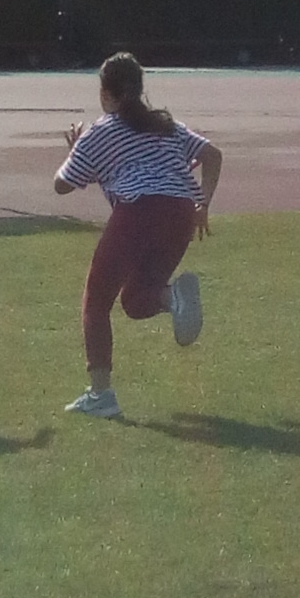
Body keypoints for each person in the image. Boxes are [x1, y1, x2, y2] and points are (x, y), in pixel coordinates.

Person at [53, 51, 222, 419]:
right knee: (135, 300)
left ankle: (101, 395)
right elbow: (213, 155)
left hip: (139, 210)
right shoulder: (167, 126)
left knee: (96, 301)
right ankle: (172, 297)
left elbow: (61, 185)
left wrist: (76, 151)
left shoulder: (101, 130)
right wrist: (203, 204)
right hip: (180, 213)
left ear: (105, 94)